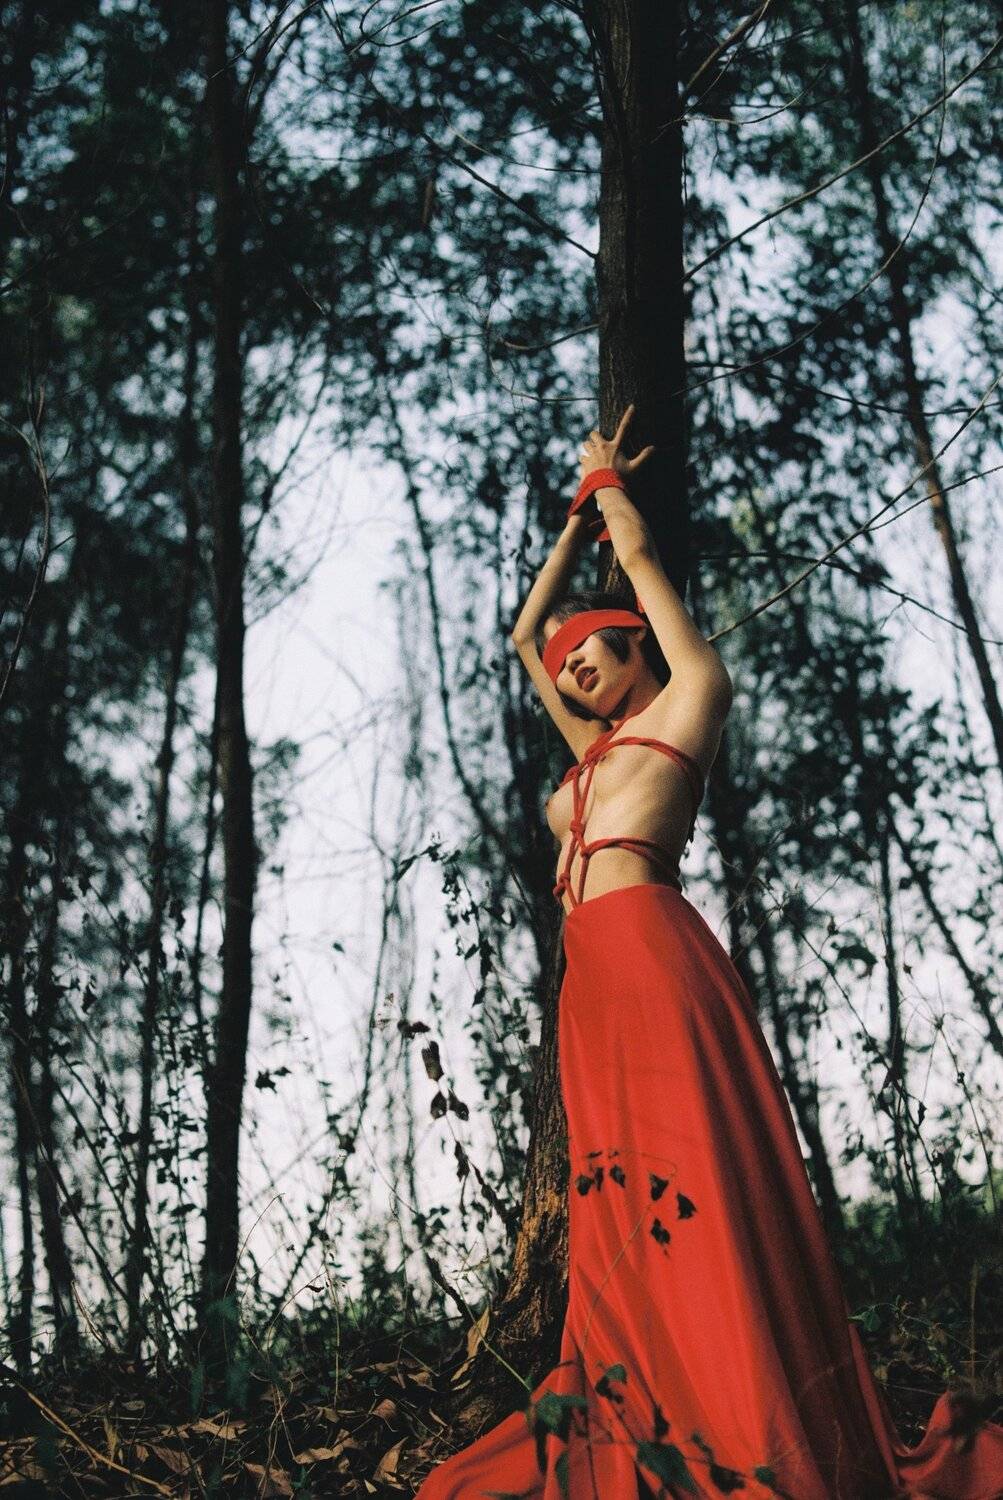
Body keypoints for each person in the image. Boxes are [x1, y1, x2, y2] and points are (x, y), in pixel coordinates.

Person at [413, 407, 1003, 1498]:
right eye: (566, 670)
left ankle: (740, 1397)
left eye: (589, 653)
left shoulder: (688, 703)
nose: (570, 671)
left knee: (697, 1178)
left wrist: (611, 489)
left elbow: (641, 570)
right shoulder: (590, 755)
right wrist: (572, 517)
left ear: (635, 643)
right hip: (590, 987)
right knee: (619, 1200)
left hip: (656, 958)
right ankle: (657, 1386)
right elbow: (521, 636)